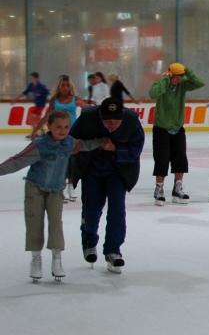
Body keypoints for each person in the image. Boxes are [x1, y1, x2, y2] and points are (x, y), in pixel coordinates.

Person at [0, 109, 94, 282]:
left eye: (66, 127)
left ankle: (57, 259)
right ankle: (36, 259)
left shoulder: (69, 143)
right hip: (35, 188)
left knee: (56, 223)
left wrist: (103, 141)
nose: (63, 131)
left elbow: (85, 145)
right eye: (58, 127)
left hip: (56, 190)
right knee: (34, 222)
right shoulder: (40, 145)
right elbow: (17, 160)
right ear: (49, 126)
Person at [69, 97, 145, 274]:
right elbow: (70, 141)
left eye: (116, 121)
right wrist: (73, 149)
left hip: (117, 171)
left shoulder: (132, 122)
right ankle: (89, 242)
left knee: (117, 210)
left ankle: (113, 250)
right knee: (91, 209)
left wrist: (115, 149)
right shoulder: (87, 118)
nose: (112, 125)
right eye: (107, 121)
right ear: (100, 116)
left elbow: (136, 150)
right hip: (91, 170)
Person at [149, 62, 204, 206]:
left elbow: (200, 83)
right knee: (162, 159)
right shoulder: (161, 83)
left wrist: (188, 70)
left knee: (180, 158)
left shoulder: (183, 85)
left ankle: (177, 188)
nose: (178, 79)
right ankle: (159, 189)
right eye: (176, 76)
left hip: (178, 127)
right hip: (161, 127)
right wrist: (164, 80)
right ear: (170, 74)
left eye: (181, 76)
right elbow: (153, 94)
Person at [34, 75, 85, 202]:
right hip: (59, 134)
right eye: (63, 85)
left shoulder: (75, 98)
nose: (65, 88)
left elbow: (88, 110)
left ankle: (71, 186)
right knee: (62, 160)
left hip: (73, 133)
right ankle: (62, 186)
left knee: (72, 160)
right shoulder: (54, 100)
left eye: (67, 85)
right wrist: (35, 130)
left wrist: (84, 105)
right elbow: (47, 116)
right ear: (59, 86)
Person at [14, 72, 50, 140]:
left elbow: (49, 92)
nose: (31, 79)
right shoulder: (31, 86)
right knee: (38, 118)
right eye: (31, 78)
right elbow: (24, 93)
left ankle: (35, 132)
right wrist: (16, 98)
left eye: (32, 78)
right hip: (37, 104)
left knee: (31, 117)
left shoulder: (42, 86)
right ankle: (42, 132)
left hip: (41, 104)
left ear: (36, 78)